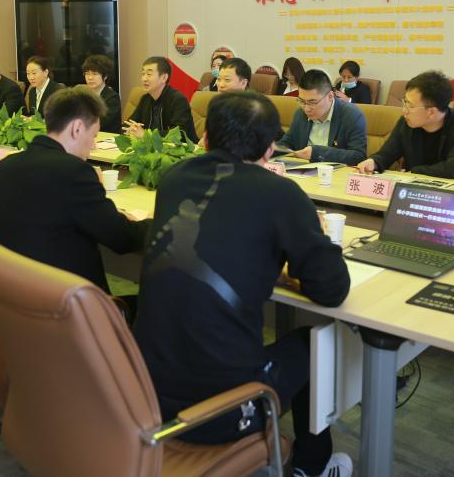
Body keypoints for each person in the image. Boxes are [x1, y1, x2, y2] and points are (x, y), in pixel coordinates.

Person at [133, 91, 353, 477]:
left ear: (205, 139)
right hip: (219, 413)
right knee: (314, 343)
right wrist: (311, 235)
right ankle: (311, 466)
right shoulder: (281, 194)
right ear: (270, 150)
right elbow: (332, 289)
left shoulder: (174, 178)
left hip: (143, 394)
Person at [0, 86, 148, 293]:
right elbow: (121, 239)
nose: (93, 146)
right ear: (77, 128)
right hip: (68, 301)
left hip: (14, 294)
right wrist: (155, 222)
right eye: (94, 136)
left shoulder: (5, 167)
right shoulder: (75, 172)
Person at [356, 70, 454, 181]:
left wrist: (413, 172)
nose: (404, 111)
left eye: (410, 105)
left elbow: (452, 169)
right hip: (415, 188)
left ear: (431, 112)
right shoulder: (407, 122)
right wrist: (373, 162)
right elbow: (387, 153)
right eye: (405, 102)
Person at [277, 69, 367, 165]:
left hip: (334, 172)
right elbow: (287, 143)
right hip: (301, 171)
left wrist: (317, 153)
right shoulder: (300, 113)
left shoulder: (351, 115)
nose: (306, 109)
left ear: (330, 96)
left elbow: (359, 156)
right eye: (302, 101)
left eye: (312, 102)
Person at [123, 56, 198, 142]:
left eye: (149, 74)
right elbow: (129, 123)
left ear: (164, 78)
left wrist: (146, 135)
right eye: (143, 74)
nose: (144, 79)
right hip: (152, 147)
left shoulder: (178, 100)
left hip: (182, 148)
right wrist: (131, 129)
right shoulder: (145, 99)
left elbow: (178, 134)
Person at [82, 54, 122, 132]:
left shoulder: (112, 97)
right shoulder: (84, 95)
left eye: (95, 74)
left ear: (105, 76)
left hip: (107, 137)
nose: (90, 78)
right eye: (87, 73)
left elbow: (101, 122)